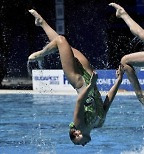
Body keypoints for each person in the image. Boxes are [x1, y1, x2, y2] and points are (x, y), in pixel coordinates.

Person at [28, 9, 124, 146]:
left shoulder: (80, 126)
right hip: (89, 75)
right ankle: (42, 23)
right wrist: (119, 81)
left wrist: (90, 85)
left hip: (78, 80)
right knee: (66, 47)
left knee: (61, 41)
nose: (83, 145)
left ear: (76, 134)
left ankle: (41, 54)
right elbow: (108, 101)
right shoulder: (99, 124)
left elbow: (80, 101)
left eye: (78, 143)